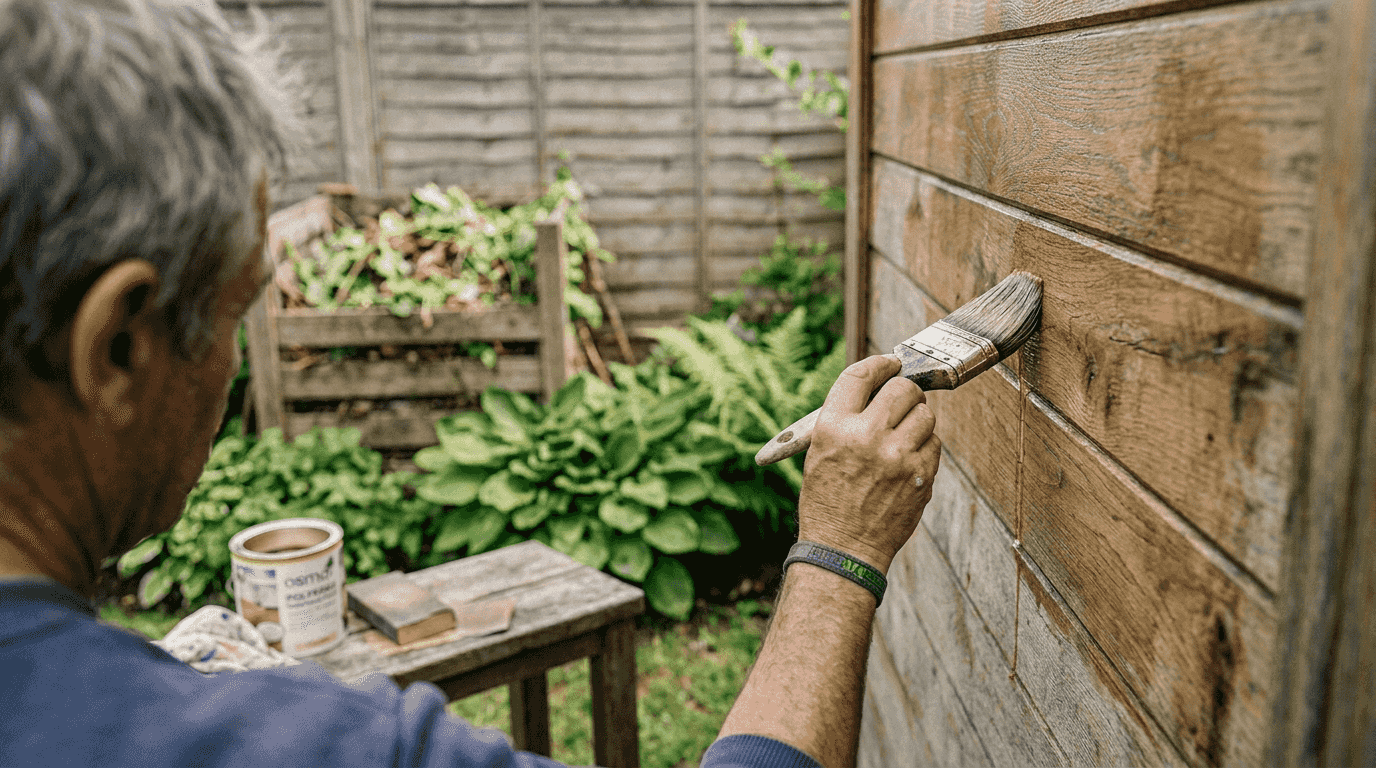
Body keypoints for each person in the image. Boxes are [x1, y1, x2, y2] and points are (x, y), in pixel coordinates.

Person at [0, 1, 942, 766]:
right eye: (241, 308)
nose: (235, 362)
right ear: (118, 348)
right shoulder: (312, 749)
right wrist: (838, 553)